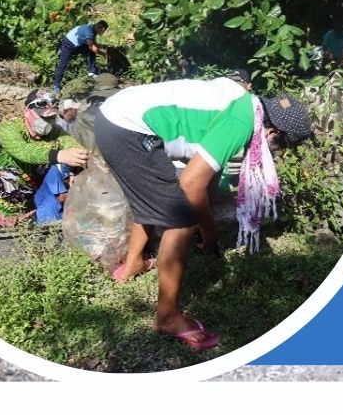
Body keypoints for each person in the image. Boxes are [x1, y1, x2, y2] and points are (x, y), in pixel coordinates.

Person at [95, 78, 314, 350]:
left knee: (153, 199)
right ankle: (167, 317)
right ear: (272, 132)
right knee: (181, 219)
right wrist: (209, 232)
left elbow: (207, 170)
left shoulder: (242, 103)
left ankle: (133, 265)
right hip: (127, 128)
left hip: (113, 117)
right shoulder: (240, 123)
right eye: (279, 148)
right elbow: (191, 184)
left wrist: (207, 209)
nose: (275, 153)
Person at [0, 87, 85, 227]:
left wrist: (73, 169)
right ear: (26, 112)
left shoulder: (57, 133)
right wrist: (60, 155)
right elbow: (24, 151)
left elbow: (76, 149)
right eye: (42, 117)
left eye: (51, 117)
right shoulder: (10, 128)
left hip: (23, 211)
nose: (47, 121)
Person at [52, 19, 112, 93]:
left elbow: (93, 43)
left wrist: (104, 47)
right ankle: (56, 86)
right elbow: (92, 47)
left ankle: (92, 73)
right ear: (99, 27)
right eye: (102, 31)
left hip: (78, 44)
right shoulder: (89, 31)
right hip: (68, 44)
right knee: (62, 64)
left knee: (90, 52)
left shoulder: (93, 29)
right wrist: (104, 54)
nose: (102, 33)